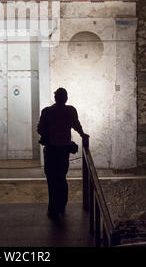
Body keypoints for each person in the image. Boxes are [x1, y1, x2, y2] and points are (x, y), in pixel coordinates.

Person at [37, 87, 88, 221]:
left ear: (55, 98)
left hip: (51, 150)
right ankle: (61, 205)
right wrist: (82, 135)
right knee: (61, 178)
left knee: (52, 180)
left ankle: (53, 209)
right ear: (66, 98)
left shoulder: (47, 112)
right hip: (63, 150)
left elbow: (40, 129)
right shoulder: (70, 111)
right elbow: (76, 124)